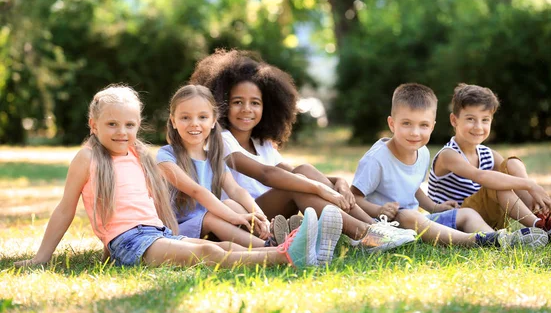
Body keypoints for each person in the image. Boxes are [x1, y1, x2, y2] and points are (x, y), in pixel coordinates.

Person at [14, 85, 342, 269]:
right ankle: (287, 256)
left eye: (129, 125)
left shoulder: (139, 155)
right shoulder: (87, 158)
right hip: (129, 241)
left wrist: (170, 235)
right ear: (93, 124)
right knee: (208, 254)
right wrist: (43, 257)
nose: (121, 132)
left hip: (154, 233)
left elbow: (155, 203)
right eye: (111, 124)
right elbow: (65, 209)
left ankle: (294, 247)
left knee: (225, 244)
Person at [190, 49, 416, 253]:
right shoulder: (221, 139)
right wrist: (320, 187)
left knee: (303, 170)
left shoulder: (262, 143)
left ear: (267, 106)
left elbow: (294, 172)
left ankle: (375, 228)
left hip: (269, 216)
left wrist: (339, 182)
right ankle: (363, 235)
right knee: (295, 186)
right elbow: (267, 175)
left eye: (255, 103)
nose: (247, 109)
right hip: (241, 220)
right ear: (221, 103)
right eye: (237, 102)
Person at [351, 83, 548, 248]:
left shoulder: (422, 152)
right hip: (384, 226)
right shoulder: (377, 159)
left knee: (467, 214)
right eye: (406, 124)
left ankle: (498, 239)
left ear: (433, 126)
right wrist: (378, 211)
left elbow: (414, 188)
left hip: (420, 221)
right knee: (409, 215)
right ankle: (473, 240)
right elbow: (354, 198)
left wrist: (435, 208)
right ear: (392, 124)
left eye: (423, 125)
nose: (415, 133)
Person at [428, 83, 551, 241]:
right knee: (495, 183)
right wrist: (530, 185)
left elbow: (510, 170)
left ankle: (541, 218)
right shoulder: (448, 155)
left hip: (485, 219)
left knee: (511, 163)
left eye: (485, 120)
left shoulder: (487, 154)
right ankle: (543, 228)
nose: (478, 127)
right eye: (470, 119)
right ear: (454, 120)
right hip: (453, 222)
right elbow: (481, 176)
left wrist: (530, 187)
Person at [157, 84, 271, 249]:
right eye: (185, 118)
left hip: (211, 223)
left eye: (202, 117)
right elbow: (197, 191)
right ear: (174, 121)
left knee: (230, 203)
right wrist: (233, 218)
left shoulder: (213, 158)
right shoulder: (165, 157)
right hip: (176, 232)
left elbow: (237, 190)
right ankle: (270, 247)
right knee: (213, 216)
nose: (194, 124)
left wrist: (259, 215)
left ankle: (272, 234)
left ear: (213, 121)